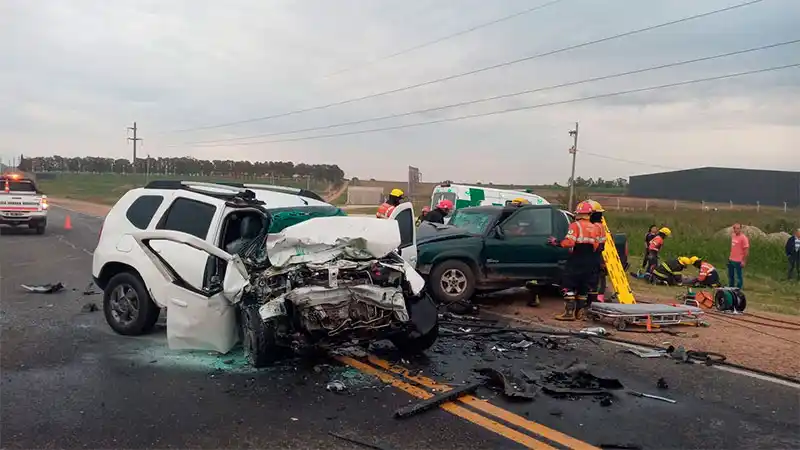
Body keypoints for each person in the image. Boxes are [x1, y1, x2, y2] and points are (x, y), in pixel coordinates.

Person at [548, 201, 602, 321]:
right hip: (591, 260)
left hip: (578, 258)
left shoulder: (575, 225)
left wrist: (556, 242)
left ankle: (569, 313)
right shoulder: (595, 227)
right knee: (583, 286)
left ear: (578, 213)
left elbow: (570, 242)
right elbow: (597, 246)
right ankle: (579, 313)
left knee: (568, 284)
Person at [586, 199, 608, 304]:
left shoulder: (593, 227)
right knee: (598, 277)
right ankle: (597, 297)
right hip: (598, 255)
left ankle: (590, 300)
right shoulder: (601, 226)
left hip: (592, 255)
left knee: (593, 278)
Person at [728, 223, 750, 289]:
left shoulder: (744, 238)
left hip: (738, 260)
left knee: (739, 276)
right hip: (731, 259)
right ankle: (731, 288)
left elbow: (746, 251)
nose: (736, 230)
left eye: (738, 228)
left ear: (740, 229)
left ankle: (738, 289)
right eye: (735, 228)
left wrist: (744, 261)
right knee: (731, 276)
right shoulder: (733, 236)